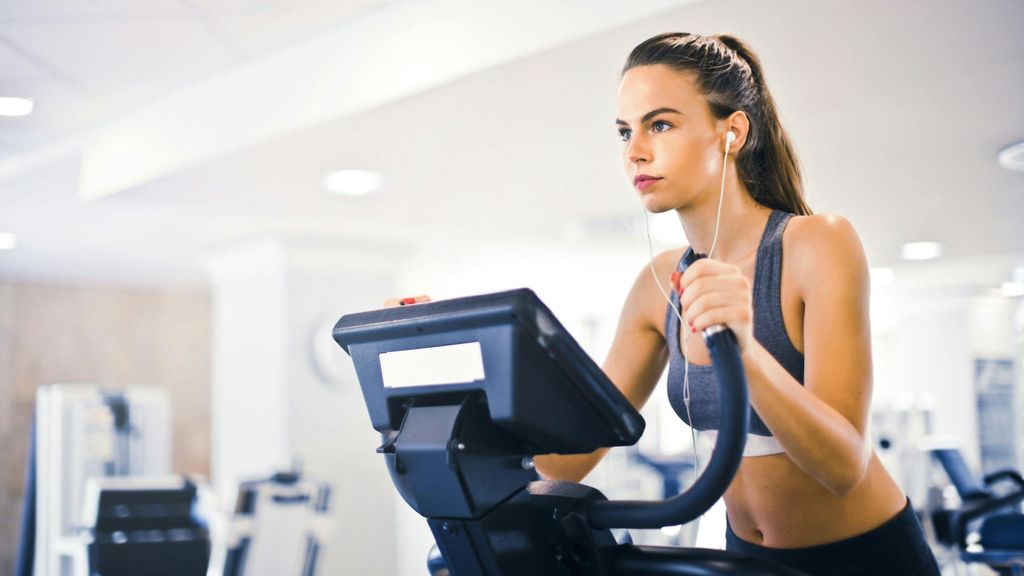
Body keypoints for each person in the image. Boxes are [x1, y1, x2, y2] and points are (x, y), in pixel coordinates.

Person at [388, 32, 940, 576]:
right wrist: (432, 390)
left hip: (866, 555)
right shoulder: (658, 284)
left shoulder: (816, 244)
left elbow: (844, 466)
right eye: (625, 131)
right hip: (747, 558)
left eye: (661, 124)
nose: (635, 151)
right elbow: (572, 457)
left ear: (732, 132)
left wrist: (742, 348)